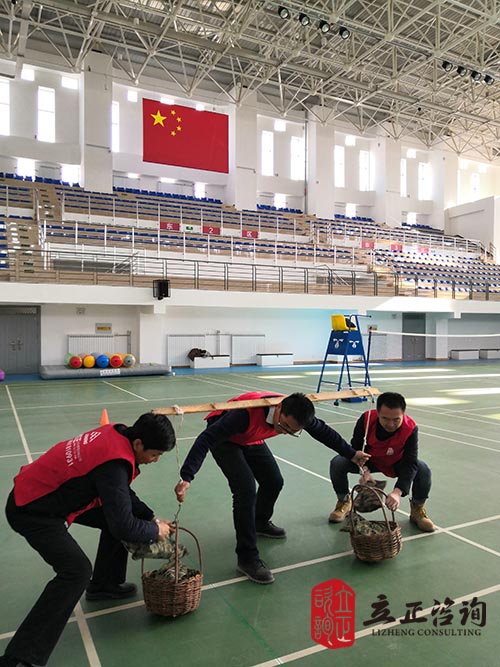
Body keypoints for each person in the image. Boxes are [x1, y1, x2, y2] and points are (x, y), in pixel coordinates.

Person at [0, 412, 176, 667]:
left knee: (116, 515)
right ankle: (20, 658)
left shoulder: (117, 434)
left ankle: (105, 584)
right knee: (76, 571)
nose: (155, 460)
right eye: (155, 454)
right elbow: (125, 526)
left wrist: (150, 517)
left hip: (50, 492)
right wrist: (155, 530)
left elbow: (120, 492)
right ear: (138, 443)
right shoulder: (114, 464)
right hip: (32, 508)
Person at [174, 391, 369, 585]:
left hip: (251, 436)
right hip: (225, 439)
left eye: (292, 431)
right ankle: (247, 558)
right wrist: (187, 476)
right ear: (279, 408)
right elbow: (206, 439)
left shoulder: (299, 413)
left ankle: (260, 522)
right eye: (284, 426)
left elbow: (324, 432)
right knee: (245, 490)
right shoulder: (243, 415)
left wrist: (351, 454)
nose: (284, 431)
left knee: (274, 481)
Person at [328, 392, 435, 532]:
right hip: (369, 460)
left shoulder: (410, 428)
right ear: (377, 413)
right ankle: (344, 502)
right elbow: (356, 448)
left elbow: (410, 462)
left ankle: (417, 509)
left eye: (396, 419)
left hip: (396, 462)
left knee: (423, 469)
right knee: (338, 462)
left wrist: (397, 492)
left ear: (403, 414)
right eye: (385, 418)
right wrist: (364, 470)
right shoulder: (366, 420)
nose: (391, 424)